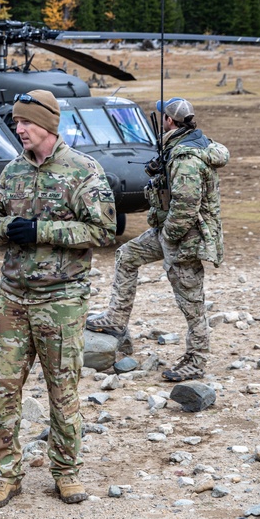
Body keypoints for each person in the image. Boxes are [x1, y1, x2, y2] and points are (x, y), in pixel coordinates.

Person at [0, 90, 116, 509]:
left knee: (63, 390)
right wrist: (7, 228)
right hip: (13, 298)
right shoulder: (12, 172)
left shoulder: (83, 171)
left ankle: (67, 473)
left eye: (25, 123)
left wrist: (41, 230)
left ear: (48, 125)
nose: (18, 129)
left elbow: (104, 231)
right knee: (3, 389)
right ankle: (6, 474)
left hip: (62, 300)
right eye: (16, 123)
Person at [86, 97, 229, 382]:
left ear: (169, 122)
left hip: (184, 237)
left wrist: (170, 238)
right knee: (127, 255)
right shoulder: (181, 146)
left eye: (162, 116)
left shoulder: (186, 158)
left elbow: (186, 206)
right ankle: (116, 318)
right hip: (169, 231)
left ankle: (196, 360)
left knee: (191, 302)